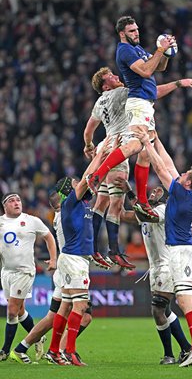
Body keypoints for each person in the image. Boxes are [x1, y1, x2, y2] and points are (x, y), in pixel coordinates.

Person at [84, 66, 192, 268]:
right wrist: (178, 83)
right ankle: (113, 251)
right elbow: (152, 92)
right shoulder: (122, 92)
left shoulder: (98, 103)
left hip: (105, 145)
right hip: (121, 144)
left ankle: (93, 249)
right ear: (104, 85)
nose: (116, 76)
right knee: (115, 203)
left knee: (101, 201)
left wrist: (89, 146)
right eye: (111, 76)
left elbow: (88, 131)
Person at [86, 16, 192, 219]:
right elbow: (147, 71)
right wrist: (160, 50)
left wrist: (167, 53)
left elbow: (159, 67)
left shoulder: (137, 50)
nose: (136, 33)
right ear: (122, 34)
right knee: (138, 146)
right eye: (131, 31)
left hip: (146, 104)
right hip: (138, 104)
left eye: (137, 29)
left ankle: (142, 201)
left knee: (146, 152)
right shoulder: (125, 51)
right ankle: (98, 174)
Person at [133, 128, 192, 367]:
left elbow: (160, 168)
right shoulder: (187, 194)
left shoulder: (179, 192)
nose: (180, 174)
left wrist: (146, 144)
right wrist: (157, 139)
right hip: (190, 251)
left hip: (179, 252)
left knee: (183, 301)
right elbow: (168, 164)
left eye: (184, 174)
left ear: (187, 182)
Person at [46, 136, 111, 366]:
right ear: (68, 191)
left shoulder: (83, 202)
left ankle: (54, 350)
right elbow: (87, 178)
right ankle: (70, 351)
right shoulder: (70, 203)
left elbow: (94, 179)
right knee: (80, 306)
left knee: (65, 307)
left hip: (74, 258)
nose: (79, 184)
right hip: (74, 258)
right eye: (75, 184)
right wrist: (101, 155)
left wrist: (102, 161)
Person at [10, 191, 92, 364]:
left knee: (53, 316)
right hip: (69, 268)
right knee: (83, 315)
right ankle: (62, 352)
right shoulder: (67, 214)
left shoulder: (59, 216)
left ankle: (22, 348)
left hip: (64, 268)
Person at [118, 179, 192, 365]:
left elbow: (145, 215)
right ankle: (186, 348)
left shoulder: (163, 210)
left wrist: (129, 192)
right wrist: (113, 196)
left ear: (164, 197)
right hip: (157, 267)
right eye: (153, 189)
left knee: (157, 308)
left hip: (166, 266)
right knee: (165, 310)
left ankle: (169, 355)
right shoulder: (145, 212)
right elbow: (123, 215)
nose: (154, 191)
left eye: (159, 190)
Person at [0, 192, 57, 362]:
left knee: (11, 312)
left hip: (24, 271)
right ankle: (38, 337)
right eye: (11, 201)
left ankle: (5, 350)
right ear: (5, 206)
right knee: (20, 310)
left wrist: (53, 258)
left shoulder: (31, 220)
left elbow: (49, 237)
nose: (16, 202)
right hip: (6, 272)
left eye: (18, 199)